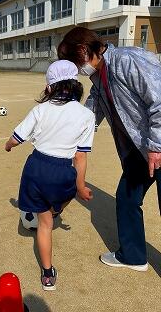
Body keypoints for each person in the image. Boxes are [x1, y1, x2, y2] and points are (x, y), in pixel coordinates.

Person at [58, 27, 161, 272]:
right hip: (139, 151)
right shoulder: (100, 78)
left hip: (156, 145)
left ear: (84, 50)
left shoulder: (127, 60)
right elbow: (91, 112)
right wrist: (70, 135)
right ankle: (134, 256)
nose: (78, 71)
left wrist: (157, 146)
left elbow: (159, 99)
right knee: (127, 198)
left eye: (74, 62)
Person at [5, 60, 95, 290]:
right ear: (76, 85)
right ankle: (57, 208)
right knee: (68, 193)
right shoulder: (86, 115)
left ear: (48, 88)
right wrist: (81, 185)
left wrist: (8, 145)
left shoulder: (40, 109)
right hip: (63, 169)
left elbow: (17, 138)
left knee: (44, 224)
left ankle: (47, 274)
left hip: (36, 167)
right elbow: (81, 157)